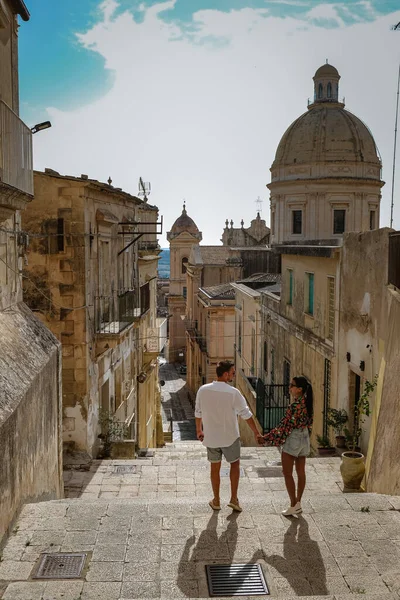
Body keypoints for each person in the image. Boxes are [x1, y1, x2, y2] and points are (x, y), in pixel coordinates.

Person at [195, 360, 261, 512]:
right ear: (225, 374)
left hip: (211, 437)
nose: (233, 375)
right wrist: (256, 433)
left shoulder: (203, 390)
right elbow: (246, 415)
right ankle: (233, 499)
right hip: (230, 437)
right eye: (232, 372)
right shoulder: (233, 393)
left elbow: (198, 413)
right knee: (235, 465)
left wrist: (199, 430)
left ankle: (216, 500)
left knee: (214, 468)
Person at [259, 376, 313, 516]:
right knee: (301, 472)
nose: (290, 388)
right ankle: (299, 503)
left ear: (299, 389)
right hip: (305, 437)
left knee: (287, 473)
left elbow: (284, 426)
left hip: (294, 438)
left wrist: (267, 438)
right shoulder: (307, 403)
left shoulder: (295, 406)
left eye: (292, 385)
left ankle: (293, 504)